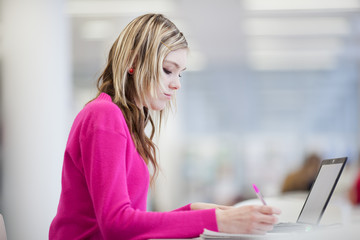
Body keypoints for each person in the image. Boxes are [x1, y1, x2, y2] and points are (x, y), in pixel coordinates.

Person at [49, 13, 280, 239]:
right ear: (133, 62)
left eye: (180, 74)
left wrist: (195, 210)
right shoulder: (104, 115)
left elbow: (133, 222)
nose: (177, 84)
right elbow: (116, 224)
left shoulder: (121, 120)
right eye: (168, 70)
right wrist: (219, 221)